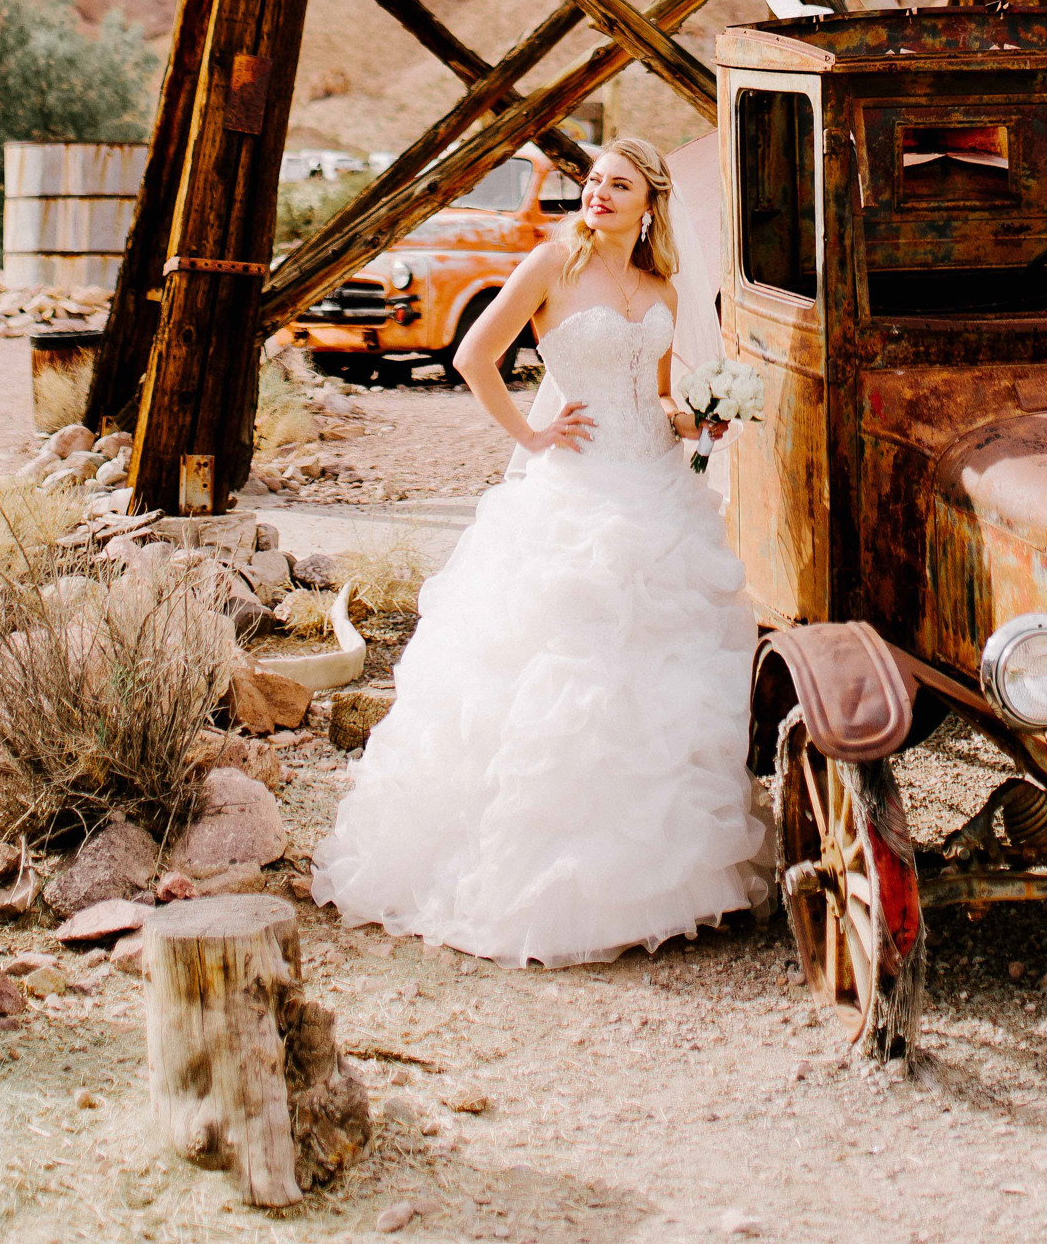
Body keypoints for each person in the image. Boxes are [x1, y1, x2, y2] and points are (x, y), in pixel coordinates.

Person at [311, 136, 772, 967]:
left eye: (618, 184)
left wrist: (699, 419)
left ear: (650, 203)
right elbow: (473, 355)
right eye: (593, 181)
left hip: (659, 487)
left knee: (656, 681)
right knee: (569, 675)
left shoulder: (661, 285)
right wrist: (532, 431)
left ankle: (661, 880)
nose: (598, 193)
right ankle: (550, 887)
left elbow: (658, 397)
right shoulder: (551, 266)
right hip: (578, 491)